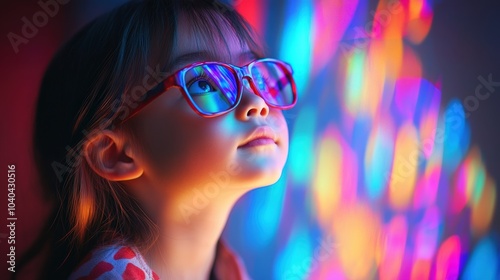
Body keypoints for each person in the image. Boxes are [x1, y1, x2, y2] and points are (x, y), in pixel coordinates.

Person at [20, 0, 297, 279]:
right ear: (116, 154)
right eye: (205, 83)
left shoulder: (229, 270)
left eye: (256, 76)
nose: (257, 102)